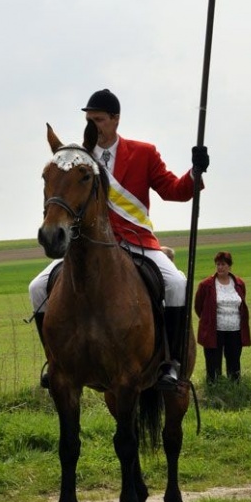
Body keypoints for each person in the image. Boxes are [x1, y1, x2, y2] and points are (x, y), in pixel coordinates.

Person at [29, 88, 208, 388]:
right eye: (89, 119)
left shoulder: (143, 152)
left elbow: (173, 191)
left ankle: (172, 364)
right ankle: (55, 361)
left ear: (115, 119)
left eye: (99, 119)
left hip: (137, 241)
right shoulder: (79, 160)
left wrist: (195, 173)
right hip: (88, 246)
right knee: (36, 288)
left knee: (177, 284)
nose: (94, 125)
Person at [194, 251, 251, 383]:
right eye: (218, 264)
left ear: (229, 266)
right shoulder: (206, 285)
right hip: (214, 331)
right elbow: (199, 307)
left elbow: (241, 303)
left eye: (223, 264)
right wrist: (208, 321)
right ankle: (214, 392)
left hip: (235, 330)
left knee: (234, 363)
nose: (220, 267)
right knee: (213, 365)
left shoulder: (239, 283)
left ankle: (234, 391)